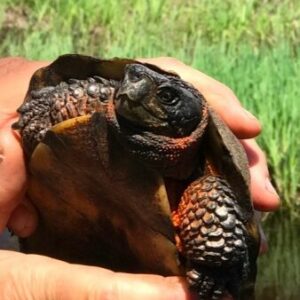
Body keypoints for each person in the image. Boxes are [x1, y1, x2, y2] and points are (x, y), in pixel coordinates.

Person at [0, 57, 279, 299]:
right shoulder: (96, 102)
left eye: (167, 97)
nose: (135, 87)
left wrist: (214, 267)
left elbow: (220, 228)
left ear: (196, 120)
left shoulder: (203, 187)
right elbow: (62, 99)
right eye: (130, 79)